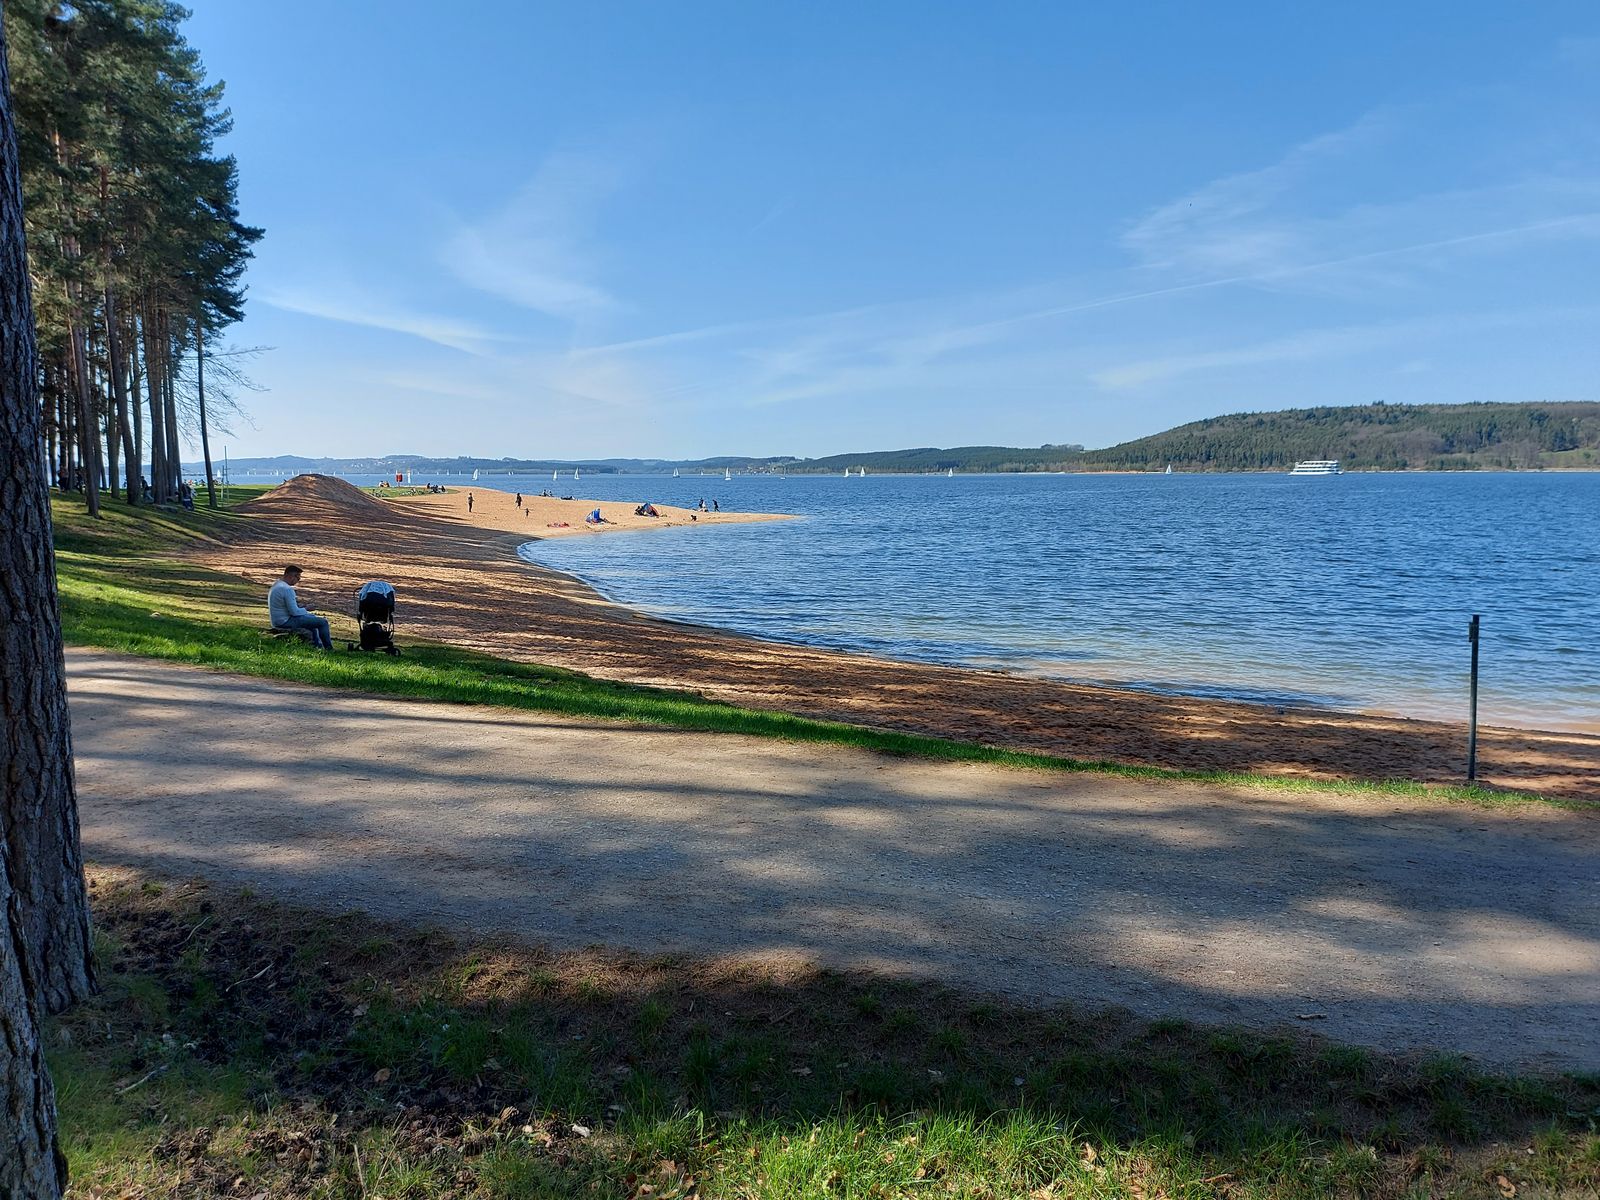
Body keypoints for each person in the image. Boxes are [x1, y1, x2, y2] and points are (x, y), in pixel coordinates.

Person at [268, 565, 333, 650]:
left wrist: (301, 607)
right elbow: (294, 612)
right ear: (291, 576)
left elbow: (287, 606)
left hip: (277, 620)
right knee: (322, 622)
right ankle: (329, 648)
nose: (298, 581)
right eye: (298, 578)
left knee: (312, 619)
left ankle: (316, 646)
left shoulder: (277, 584)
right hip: (285, 621)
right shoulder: (287, 589)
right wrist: (307, 609)